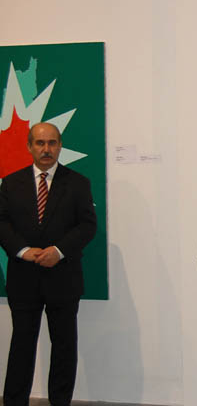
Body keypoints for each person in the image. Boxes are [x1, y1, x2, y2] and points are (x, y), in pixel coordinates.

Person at [0, 122, 97, 406]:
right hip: (23, 278)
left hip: (63, 277)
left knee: (64, 347)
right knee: (22, 345)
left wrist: (59, 250)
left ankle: (60, 401)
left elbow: (87, 226)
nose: (46, 149)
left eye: (52, 143)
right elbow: (1, 223)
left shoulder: (78, 183)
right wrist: (22, 251)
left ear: (60, 146)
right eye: (40, 143)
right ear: (29, 146)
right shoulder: (11, 183)